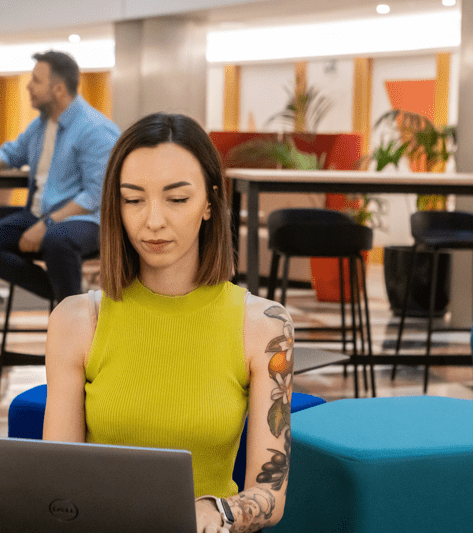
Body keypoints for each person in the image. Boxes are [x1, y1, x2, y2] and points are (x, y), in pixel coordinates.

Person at [43, 113, 293, 533]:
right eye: (133, 199)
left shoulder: (265, 325)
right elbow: (59, 483)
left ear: (210, 203)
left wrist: (219, 511)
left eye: (177, 199)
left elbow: (270, 496)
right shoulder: (76, 320)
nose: (153, 220)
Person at [0, 50, 120, 302]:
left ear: (58, 89)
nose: (28, 86)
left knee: (57, 240)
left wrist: (47, 223)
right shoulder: (41, 125)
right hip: (41, 213)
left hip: (88, 221)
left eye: (36, 80)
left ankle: (69, 305)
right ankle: (66, 296)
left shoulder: (94, 129)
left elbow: (97, 196)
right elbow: (12, 152)